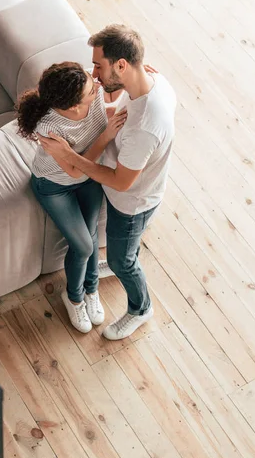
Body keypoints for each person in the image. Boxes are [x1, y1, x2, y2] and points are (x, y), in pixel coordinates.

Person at [38, 26, 177, 341]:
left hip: (132, 202)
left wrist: (70, 155)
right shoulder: (153, 83)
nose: (95, 75)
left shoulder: (145, 128)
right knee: (123, 250)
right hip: (143, 189)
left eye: (99, 66)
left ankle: (140, 308)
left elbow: (121, 182)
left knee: (120, 257)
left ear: (122, 65)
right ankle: (119, 262)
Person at [16, 61, 127, 334]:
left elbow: (107, 108)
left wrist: (139, 73)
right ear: (74, 106)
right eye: (91, 88)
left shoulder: (95, 92)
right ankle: (74, 297)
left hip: (89, 178)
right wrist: (105, 136)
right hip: (54, 185)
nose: (97, 84)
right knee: (84, 247)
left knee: (89, 236)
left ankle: (91, 289)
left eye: (91, 78)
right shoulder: (50, 128)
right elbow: (74, 171)